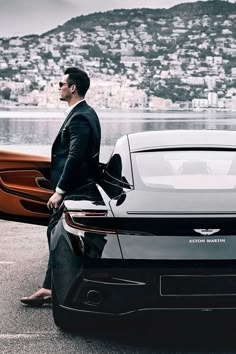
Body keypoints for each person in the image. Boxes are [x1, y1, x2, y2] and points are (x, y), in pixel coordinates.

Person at [20, 67, 101, 306]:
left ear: (72, 88)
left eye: (61, 84)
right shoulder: (85, 113)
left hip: (75, 189)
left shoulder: (80, 117)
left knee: (59, 236)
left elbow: (75, 156)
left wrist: (60, 191)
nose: (59, 87)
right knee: (58, 235)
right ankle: (50, 286)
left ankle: (54, 288)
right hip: (79, 187)